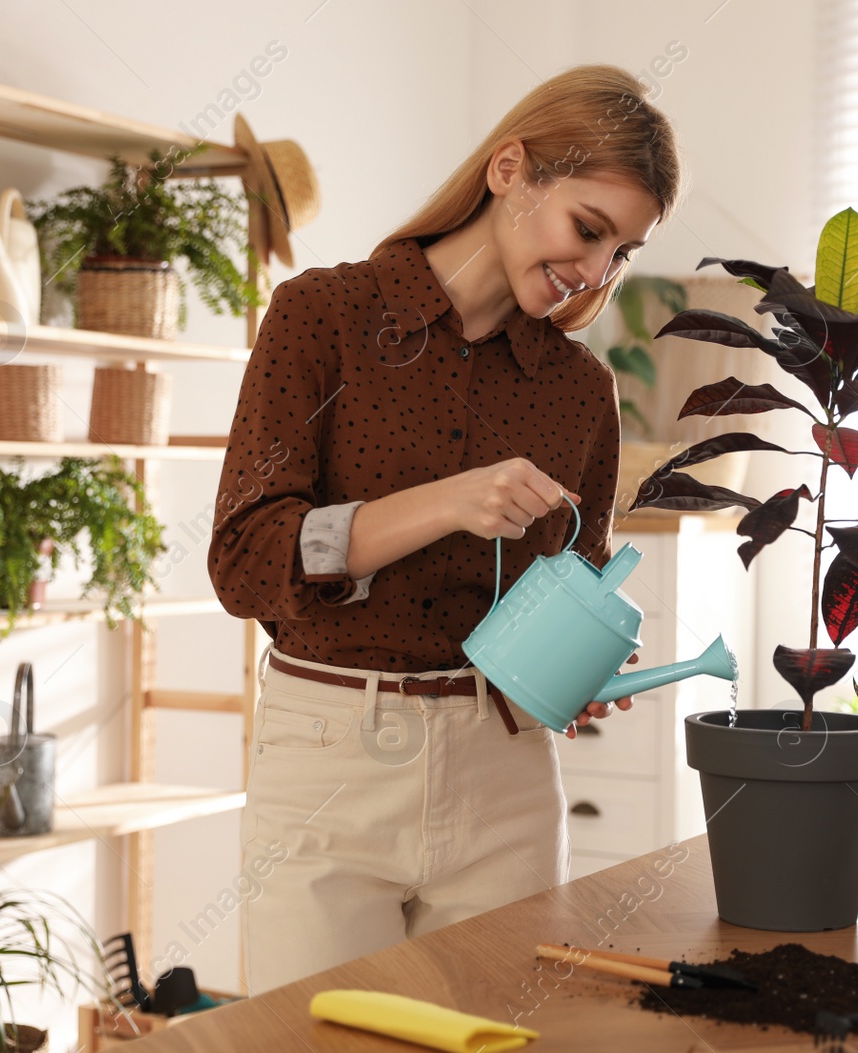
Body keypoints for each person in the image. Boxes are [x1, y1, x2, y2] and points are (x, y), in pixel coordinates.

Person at [207, 63, 685, 994]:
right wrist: (445, 502)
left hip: (504, 770)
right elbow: (243, 561)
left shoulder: (580, 390)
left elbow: (576, 579)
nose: (595, 272)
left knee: (502, 1050)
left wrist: (576, 672)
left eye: (620, 251)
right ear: (510, 168)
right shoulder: (322, 318)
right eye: (588, 229)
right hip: (328, 759)